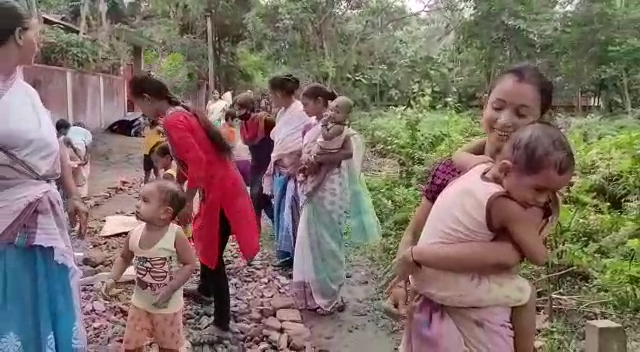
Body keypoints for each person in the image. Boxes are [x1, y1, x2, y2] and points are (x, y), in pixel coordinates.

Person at [384, 63, 556, 350]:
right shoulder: (451, 170)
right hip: (428, 311)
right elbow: (414, 231)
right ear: (484, 106)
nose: (504, 120)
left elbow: (505, 257)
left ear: (540, 122)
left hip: (485, 321)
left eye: (521, 114)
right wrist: (401, 282)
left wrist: (418, 257)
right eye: (497, 107)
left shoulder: (532, 191)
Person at [128, 73, 259, 338]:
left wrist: (187, 203)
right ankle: (205, 290)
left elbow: (198, 163)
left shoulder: (175, 119)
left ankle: (221, 323)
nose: (140, 110)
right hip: (221, 184)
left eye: (138, 104)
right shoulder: (179, 114)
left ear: (147, 98)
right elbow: (192, 161)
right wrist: (178, 191)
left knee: (212, 251)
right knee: (206, 240)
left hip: (220, 188)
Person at [0, 1, 88, 349]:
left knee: (47, 302)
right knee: (17, 302)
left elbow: (54, 145)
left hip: (44, 215)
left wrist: (73, 194)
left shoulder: (25, 91)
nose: (40, 41)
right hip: (10, 224)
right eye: (37, 32)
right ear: (20, 35)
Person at [292, 84, 380, 315]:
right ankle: (311, 295)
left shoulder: (341, 128)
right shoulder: (312, 126)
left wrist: (323, 158)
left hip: (330, 187)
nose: (304, 108)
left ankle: (330, 296)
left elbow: (348, 153)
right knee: (309, 238)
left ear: (322, 102)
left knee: (329, 239)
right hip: (312, 186)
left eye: (307, 104)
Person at [102, 180, 197, 351]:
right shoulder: (134, 234)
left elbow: (189, 264)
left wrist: (171, 287)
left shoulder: (175, 235)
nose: (137, 204)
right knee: (132, 345)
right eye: (139, 199)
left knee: (168, 346)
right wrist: (112, 279)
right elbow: (124, 258)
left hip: (167, 307)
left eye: (145, 201)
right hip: (139, 304)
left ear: (165, 213)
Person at [262, 75, 310, 268]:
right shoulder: (282, 113)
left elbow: (306, 141)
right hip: (280, 170)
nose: (271, 98)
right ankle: (285, 254)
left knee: (294, 214)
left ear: (280, 93)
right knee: (282, 213)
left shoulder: (301, 112)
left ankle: (298, 257)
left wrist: (297, 162)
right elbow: (280, 140)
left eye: (272, 94)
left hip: (295, 170)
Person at [234, 92, 276, 230]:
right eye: (236, 109)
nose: (237, 112)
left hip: (267, 162)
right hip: (255, 164)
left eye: (240, 109)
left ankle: (257, 228)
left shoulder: (264, 120)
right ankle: (275, 225)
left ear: (249, 107)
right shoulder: (243, 125)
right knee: (259, 198)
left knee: (257, 195)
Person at [298, 96, 353, 196]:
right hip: (320, 150)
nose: (332, 114)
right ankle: (304, 173)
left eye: (337, 112)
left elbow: (348, 152)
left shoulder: (340, 128)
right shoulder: (324, 123)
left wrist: (323, 124)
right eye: (331, 110)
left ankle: (313, 186)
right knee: (310, 159)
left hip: (330, 165)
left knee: (323, 170)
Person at [151, 143, 193, 241]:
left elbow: (173, 194)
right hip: (181, 206)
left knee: (176, 236)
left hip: (176, 209)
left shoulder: (167, 175)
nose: (155, 164)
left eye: (157, 161)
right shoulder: (175, 170)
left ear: (167, 158)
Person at [56, 118, 93, 197]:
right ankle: (82, 194)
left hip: (64, 156)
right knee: (82, 171)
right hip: (79, 149)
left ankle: (66, 194)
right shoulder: (86, 133)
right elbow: (87, 146)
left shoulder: (57, 136)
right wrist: (83, 158)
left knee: (67, 173)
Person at [221, 108, 251, 186]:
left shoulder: (227, 129)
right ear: (229, 120)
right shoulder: (230, 131)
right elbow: (232, 144)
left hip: (238, 160)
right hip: (239, 160)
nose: (238, 122)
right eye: (236, 120)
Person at [142, 117, 164, 183]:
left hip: (154, 153)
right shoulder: (147, 128)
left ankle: (159, 185)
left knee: (154, 171)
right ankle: (147, 186)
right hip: (147, 153)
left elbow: (167, 133)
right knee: (148, 172)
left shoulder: (158, 129)